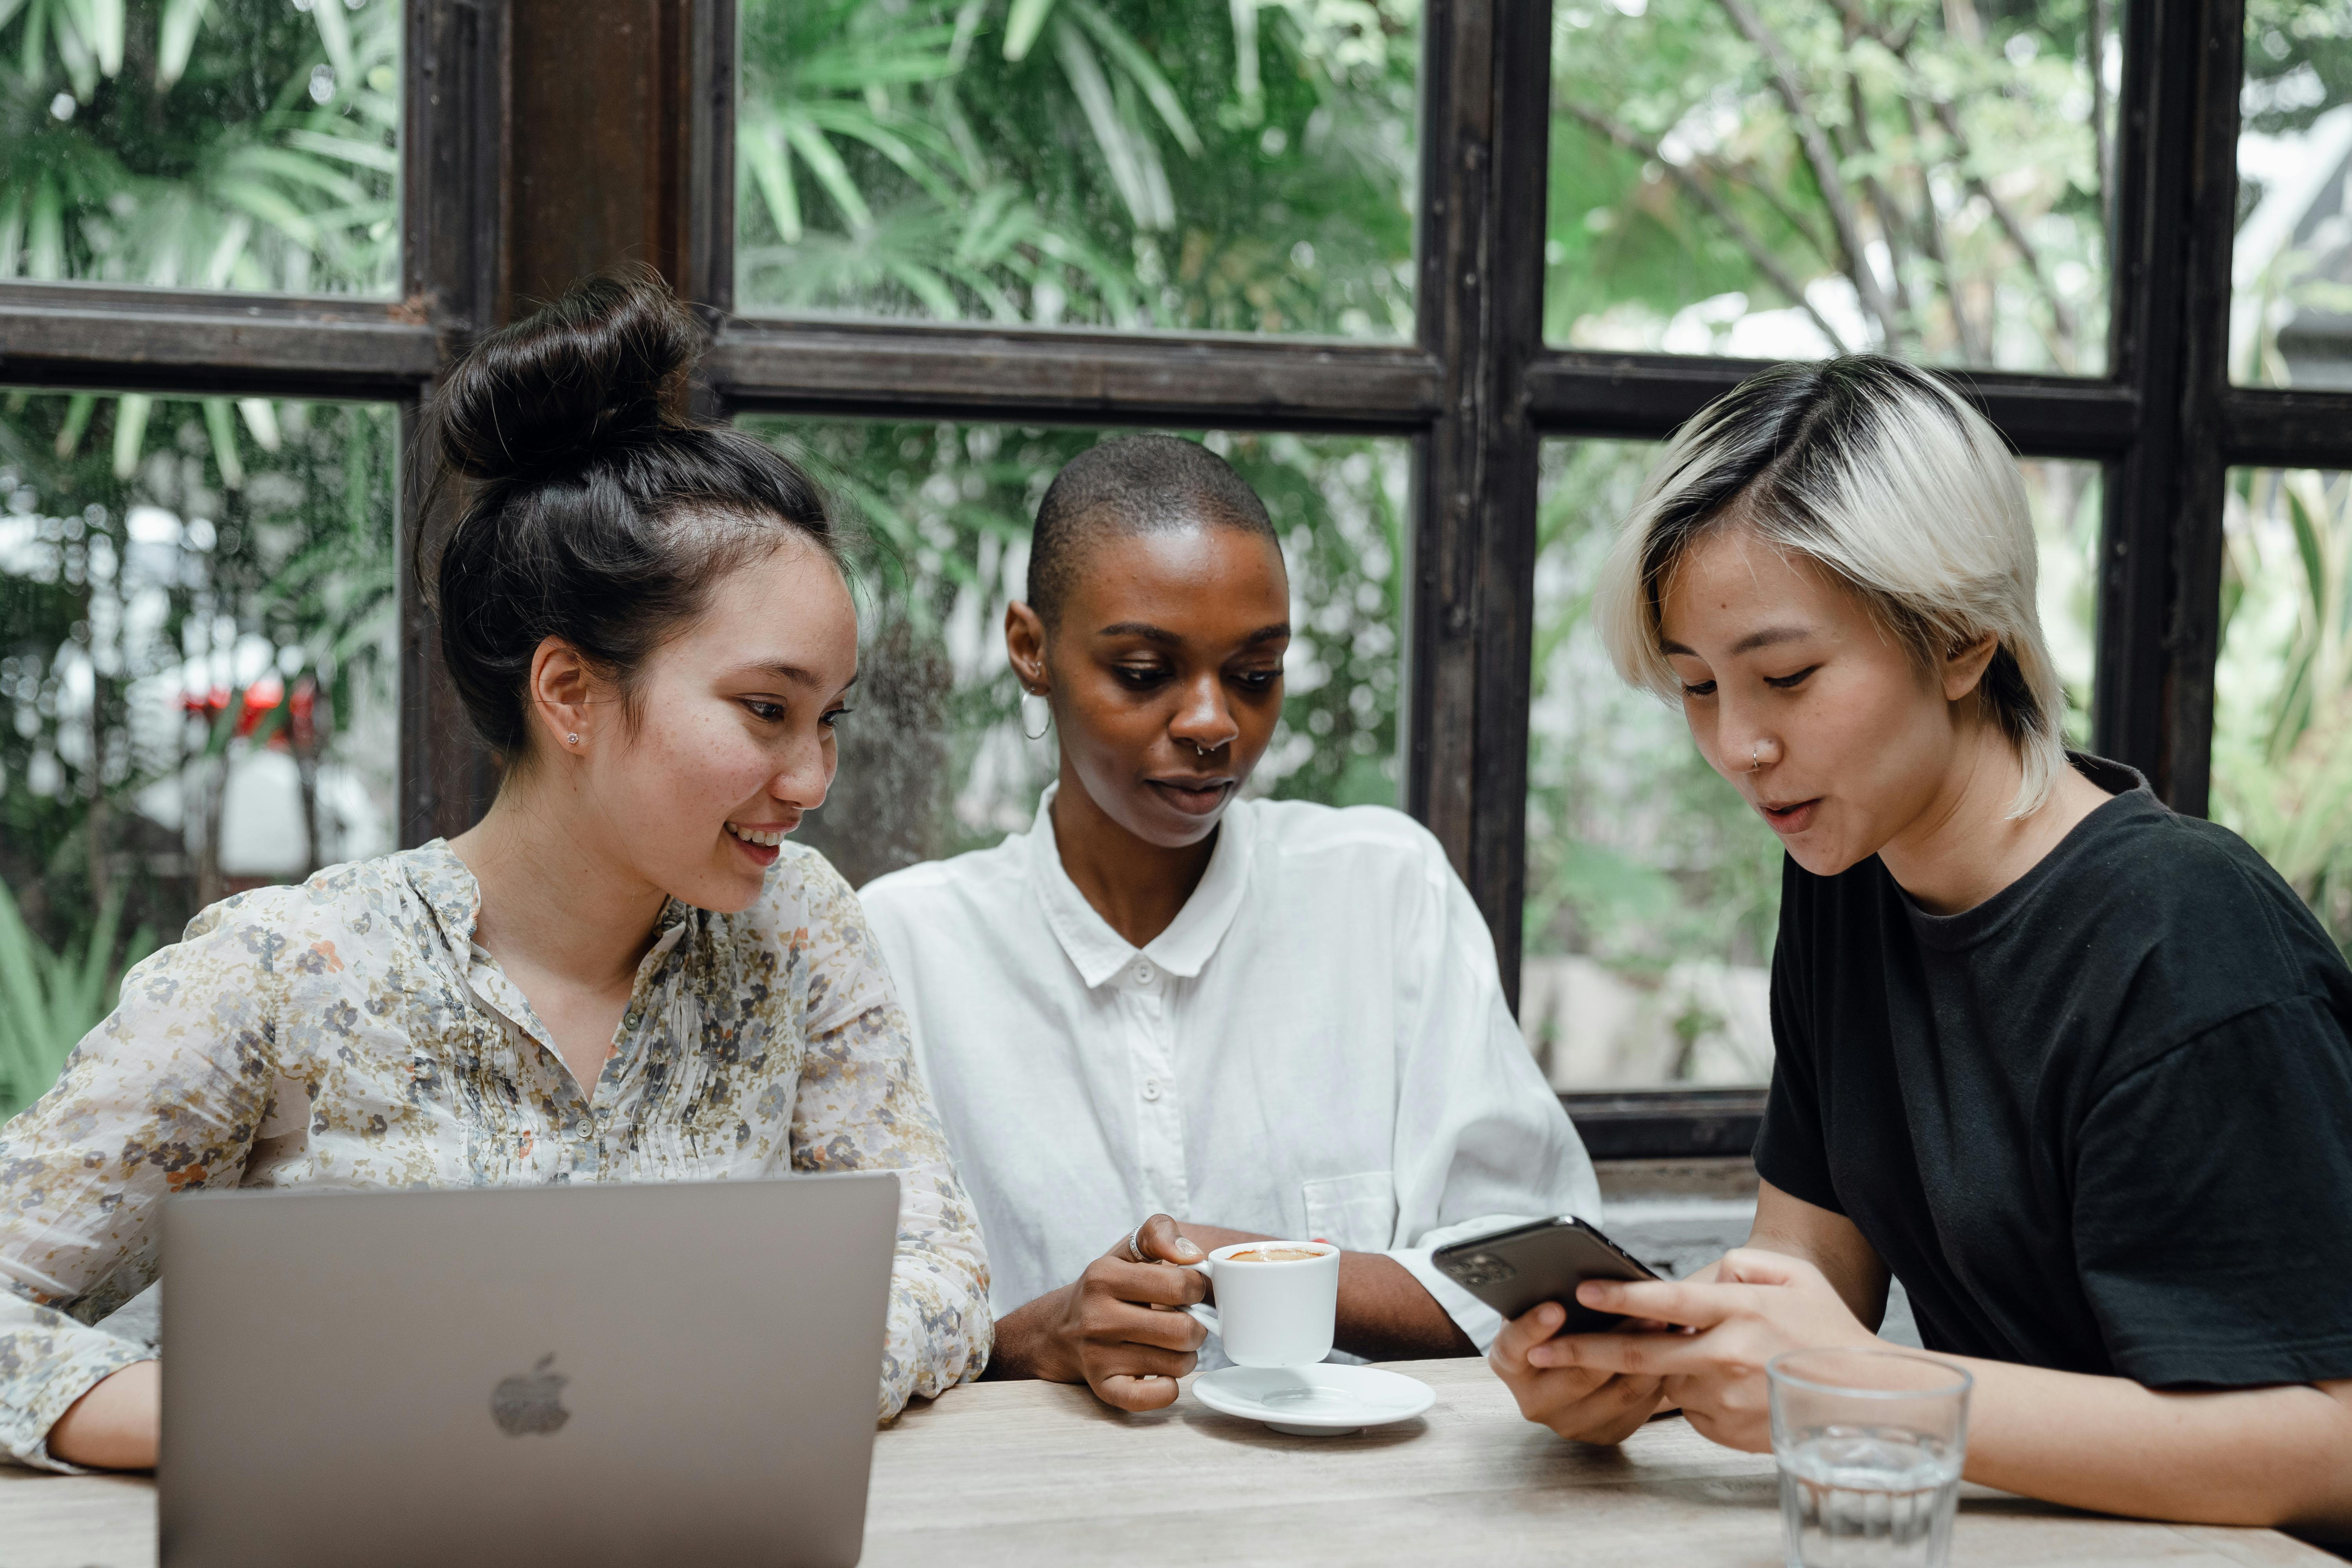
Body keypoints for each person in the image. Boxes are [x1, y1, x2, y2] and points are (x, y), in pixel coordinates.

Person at [0, 269, 991, 1473]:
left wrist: (725, 1380)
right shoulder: (287, 973)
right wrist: (237, 1412)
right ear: (569, 692)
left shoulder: (795, 928)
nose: (812, 778)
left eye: (828, 717)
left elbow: (939, 1272)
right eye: (767, 710)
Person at [1488, 355, 2352, 1535]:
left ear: (1960, 641)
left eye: (1785, 677)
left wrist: (1859, 1388)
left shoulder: (2187, 935)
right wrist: (1649, 1373)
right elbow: (1808, 1278)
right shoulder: (1848, 876)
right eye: (1696, 689)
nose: (1739, 745)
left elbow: (2330, 1445)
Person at [859, 434, 1599, 1412]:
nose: (1214, 722)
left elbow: (1542, 1275)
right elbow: (831, 1338)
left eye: (1255, 674)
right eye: (1142, 670)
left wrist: (1242, 1260)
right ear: (1031, 649)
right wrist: (1032, 1336)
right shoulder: (904, 947)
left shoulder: (1383, 889)